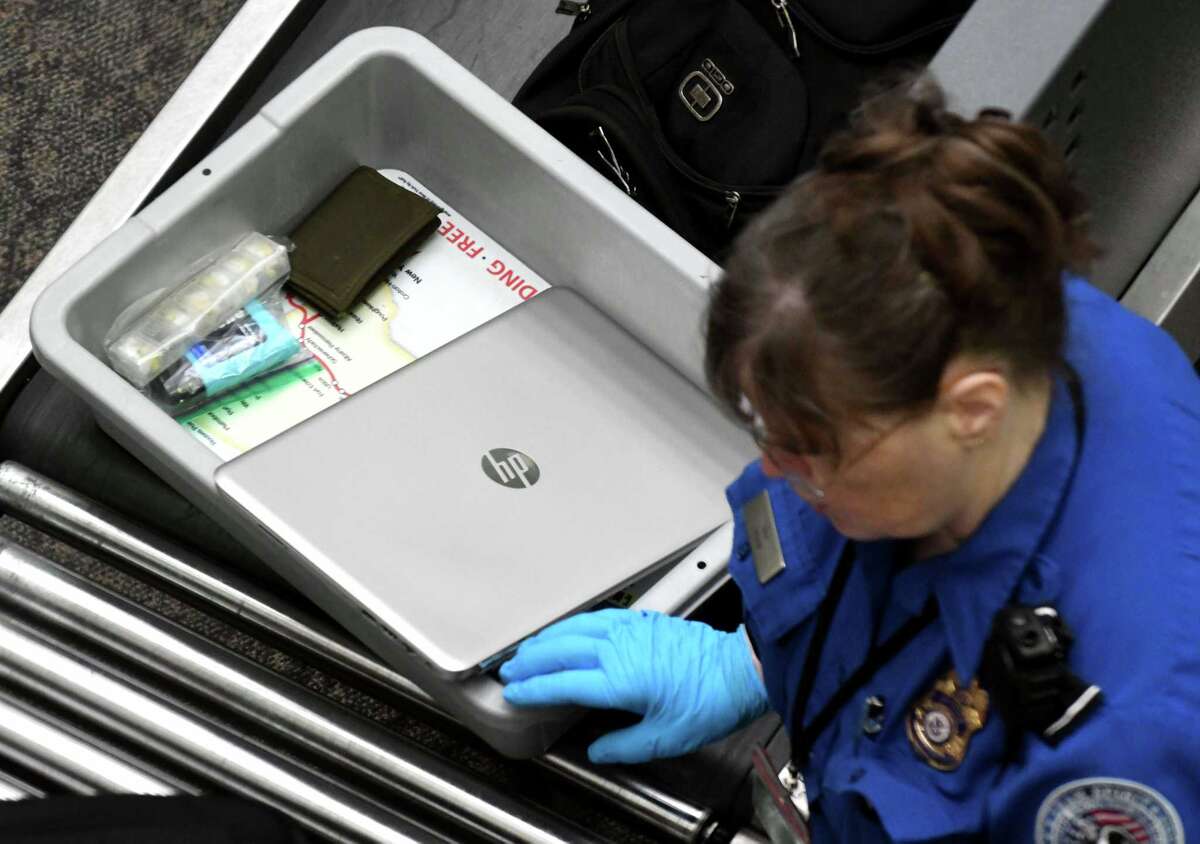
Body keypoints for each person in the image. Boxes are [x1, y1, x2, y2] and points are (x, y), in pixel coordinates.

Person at [500, 76, 1200, 842]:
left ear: (973, 409)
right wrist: (752, 663)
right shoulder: (969, 294)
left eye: (811, 450)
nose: (775, 470)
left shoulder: (1129, 729)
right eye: (767, 430)